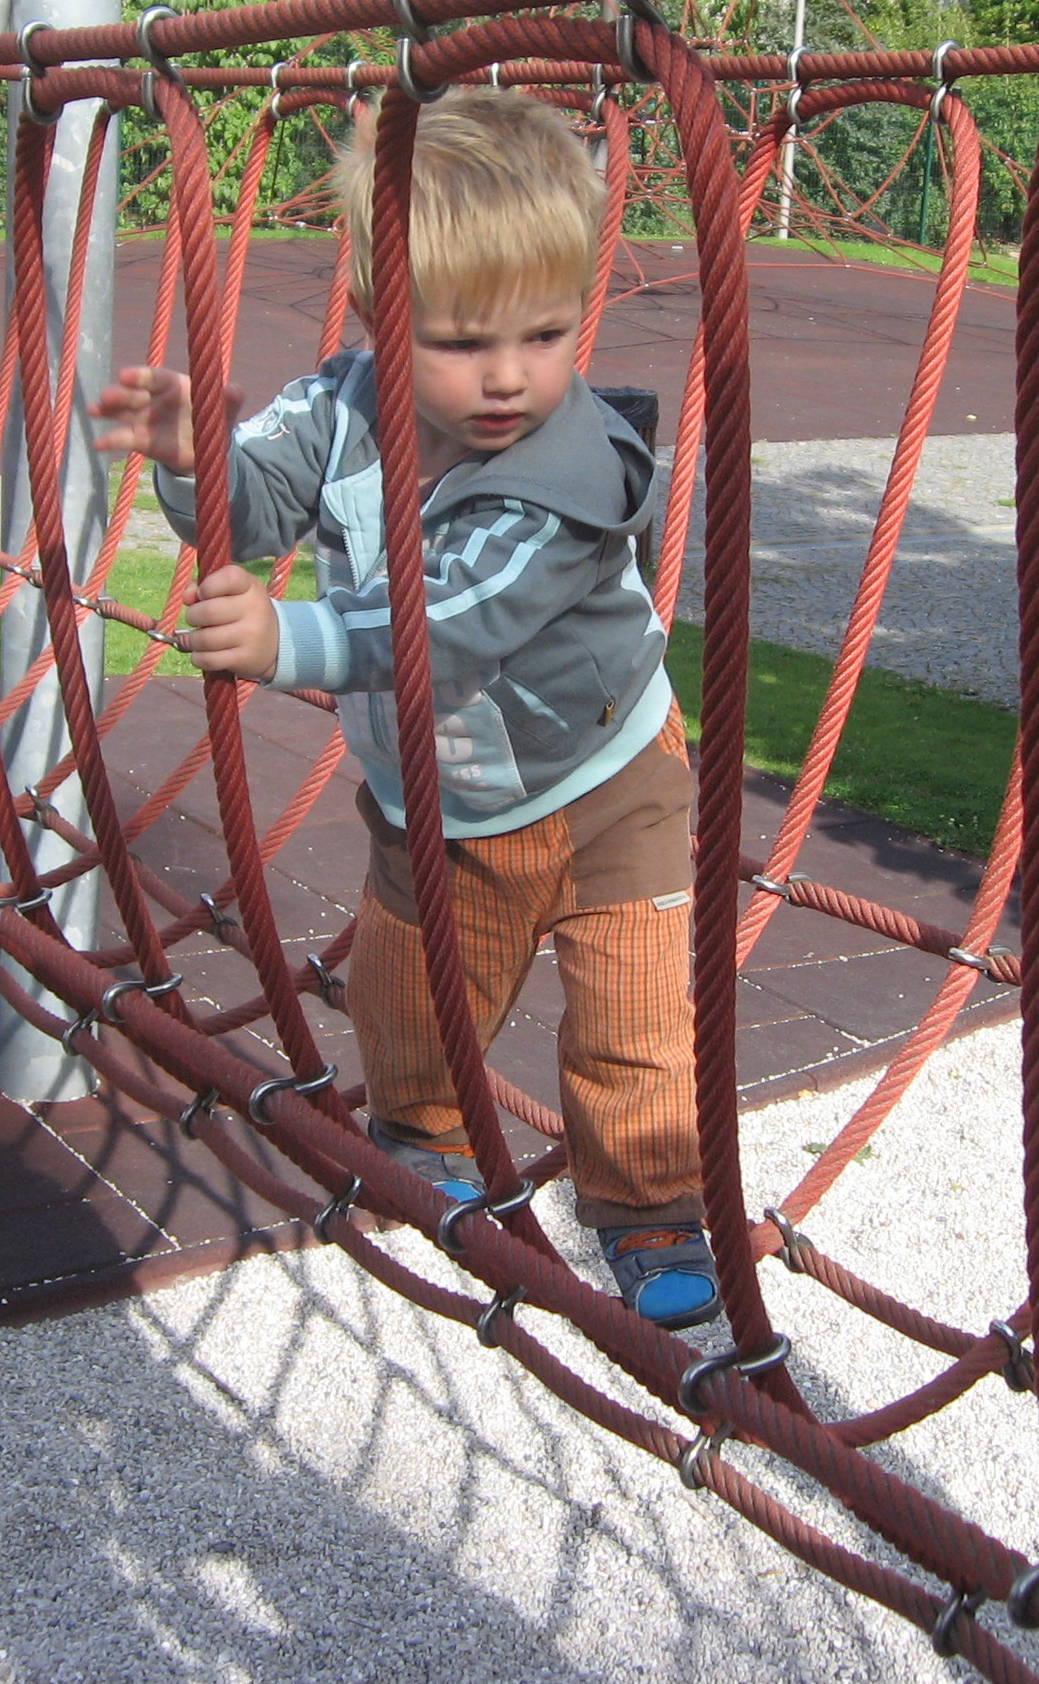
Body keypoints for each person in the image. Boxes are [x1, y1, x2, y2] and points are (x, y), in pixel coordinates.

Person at [91, 90, 717, 1330]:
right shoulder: (342, 407)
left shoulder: (575, 461)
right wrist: (193, 451)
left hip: (607, 780)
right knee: (413, 995)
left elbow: (463, 617)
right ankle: (425, 1134)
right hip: (439, 797)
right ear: (380, 318)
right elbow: (254, 502)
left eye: (546, 333)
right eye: (461, 341)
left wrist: (292, 639)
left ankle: (649, 1206)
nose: (509, 376)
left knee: (635, 1017)